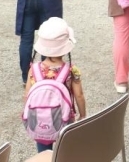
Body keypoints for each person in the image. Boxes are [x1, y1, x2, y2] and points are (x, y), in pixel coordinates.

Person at [24, 17, 87, 154]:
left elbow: (27, 94)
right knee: (65, 151)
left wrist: (27, 113)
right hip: (65, 120)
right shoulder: (71, 70)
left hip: (39, 118)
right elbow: (79, 95)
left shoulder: (33, 69)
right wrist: (83, 115)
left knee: (44, 152)